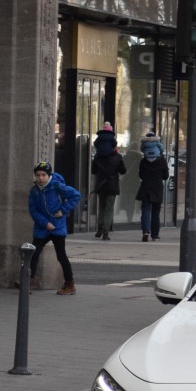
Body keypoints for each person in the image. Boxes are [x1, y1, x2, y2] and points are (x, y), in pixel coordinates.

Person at [28, 161, 81, 295]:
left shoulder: (56, 186)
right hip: (42, 227)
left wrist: (63, 210)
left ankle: (70, 284)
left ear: (49, 175)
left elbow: (75, 195)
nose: (40, 178)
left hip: (57, 226)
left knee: (61, 256)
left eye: (43, 175)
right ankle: (29, 281)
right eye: (38, 175)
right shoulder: (34, 190)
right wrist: (45, 223)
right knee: (33, 253)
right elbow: (33, 210)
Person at [91, 126, 125, 240]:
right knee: (109, 208)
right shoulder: (118, 157)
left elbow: (93, 171)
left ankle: (99, 228)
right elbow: (123, 170)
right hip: (112, 185)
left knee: (101, 207)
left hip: (101, 184)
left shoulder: (97, 157)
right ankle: (106, 231)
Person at [136, 133, 169, 241]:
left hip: (145, 187)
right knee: (156, 212)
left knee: (145, 210)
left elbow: (140, 175)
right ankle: (155, 235)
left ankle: (145, 231)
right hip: (157, 188)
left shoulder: (143, 161)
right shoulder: (162, 161)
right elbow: (166, 176)